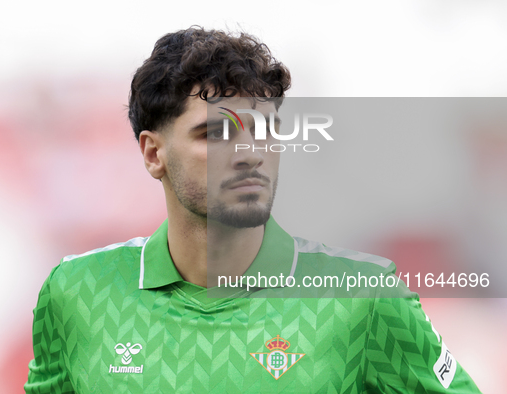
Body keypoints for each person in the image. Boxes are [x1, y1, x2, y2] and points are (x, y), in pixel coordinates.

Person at [24, 27, 481, 393]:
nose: (249, 153)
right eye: (216, 134)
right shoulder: (75, 292)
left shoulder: (362, 295)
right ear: (153, 154)